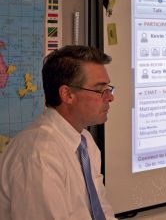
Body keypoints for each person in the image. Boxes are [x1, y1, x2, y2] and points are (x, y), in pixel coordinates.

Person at [0, 45, 117, 219]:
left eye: (109, 89)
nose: (110, 97)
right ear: (67, 94)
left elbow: (102, 210)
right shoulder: (39, 156)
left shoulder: (85, 141)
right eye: (100, 90)